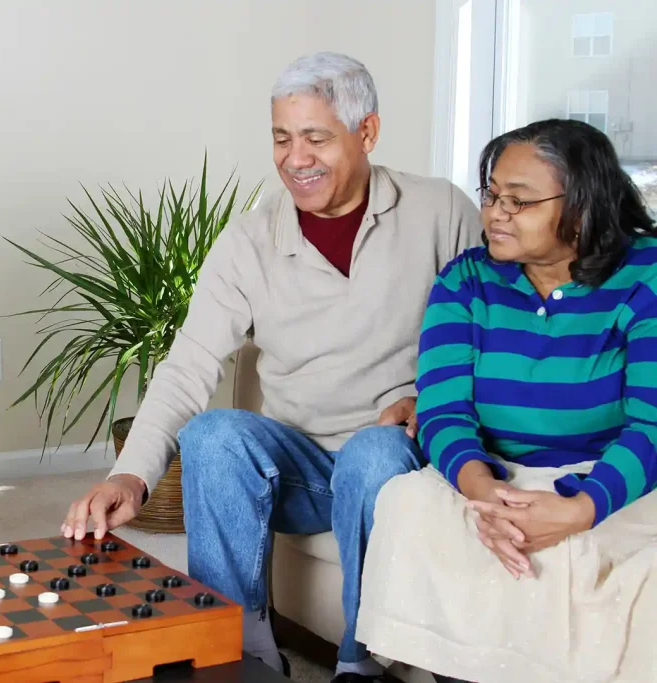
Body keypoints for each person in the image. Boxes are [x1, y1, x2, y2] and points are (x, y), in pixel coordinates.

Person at [60, 52, 482, 682]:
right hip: (302, 471)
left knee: (374, 452)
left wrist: (435, 399)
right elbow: (187, 366)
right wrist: (131, 476)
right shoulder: (248, 242)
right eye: (282, 138)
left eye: (316, 137)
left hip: (398, 459)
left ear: (366, 133)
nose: (295, 158)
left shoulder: (440, 211)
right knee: (213, 434)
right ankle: (239, 649)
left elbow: (491, 330)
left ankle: (359, 661)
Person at [355, 119, 657, 683]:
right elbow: (444, 411)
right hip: (499, 477)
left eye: (518, 201)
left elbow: (652, 426)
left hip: (615, 478)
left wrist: (581, 507)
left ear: (584, 206)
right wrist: (482, 491)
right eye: (491, 194)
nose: (495, 212)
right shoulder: (466, 281)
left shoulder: (647, 276)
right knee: (407, 501)